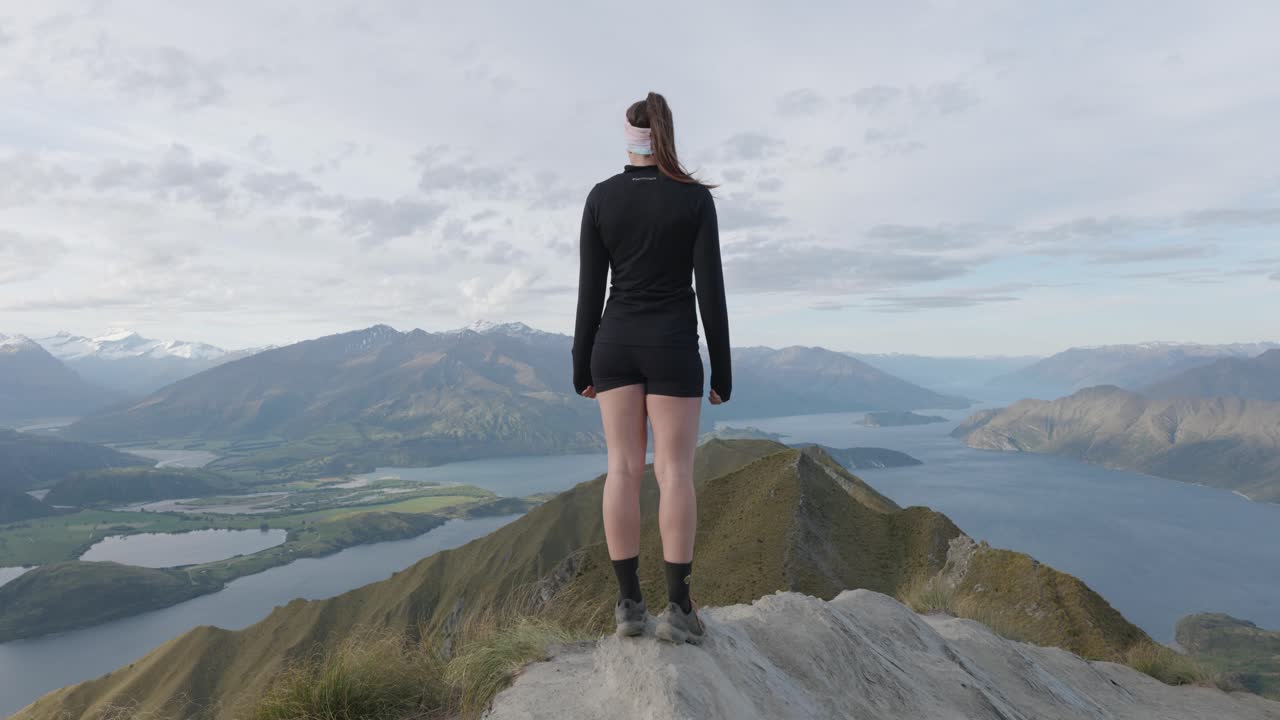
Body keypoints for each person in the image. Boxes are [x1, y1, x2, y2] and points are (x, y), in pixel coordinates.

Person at [571, 91, 732, 646]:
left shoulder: (600, 198)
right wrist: (723, 372)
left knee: (622, 470)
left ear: (628, 134)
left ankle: (629, 607)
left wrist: (580, 364)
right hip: (672, 345)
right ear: (665, 133)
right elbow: (710, 291)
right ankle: (680, 609)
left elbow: (590, 290)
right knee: (675, 474)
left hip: (612, 344)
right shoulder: (693, 201)